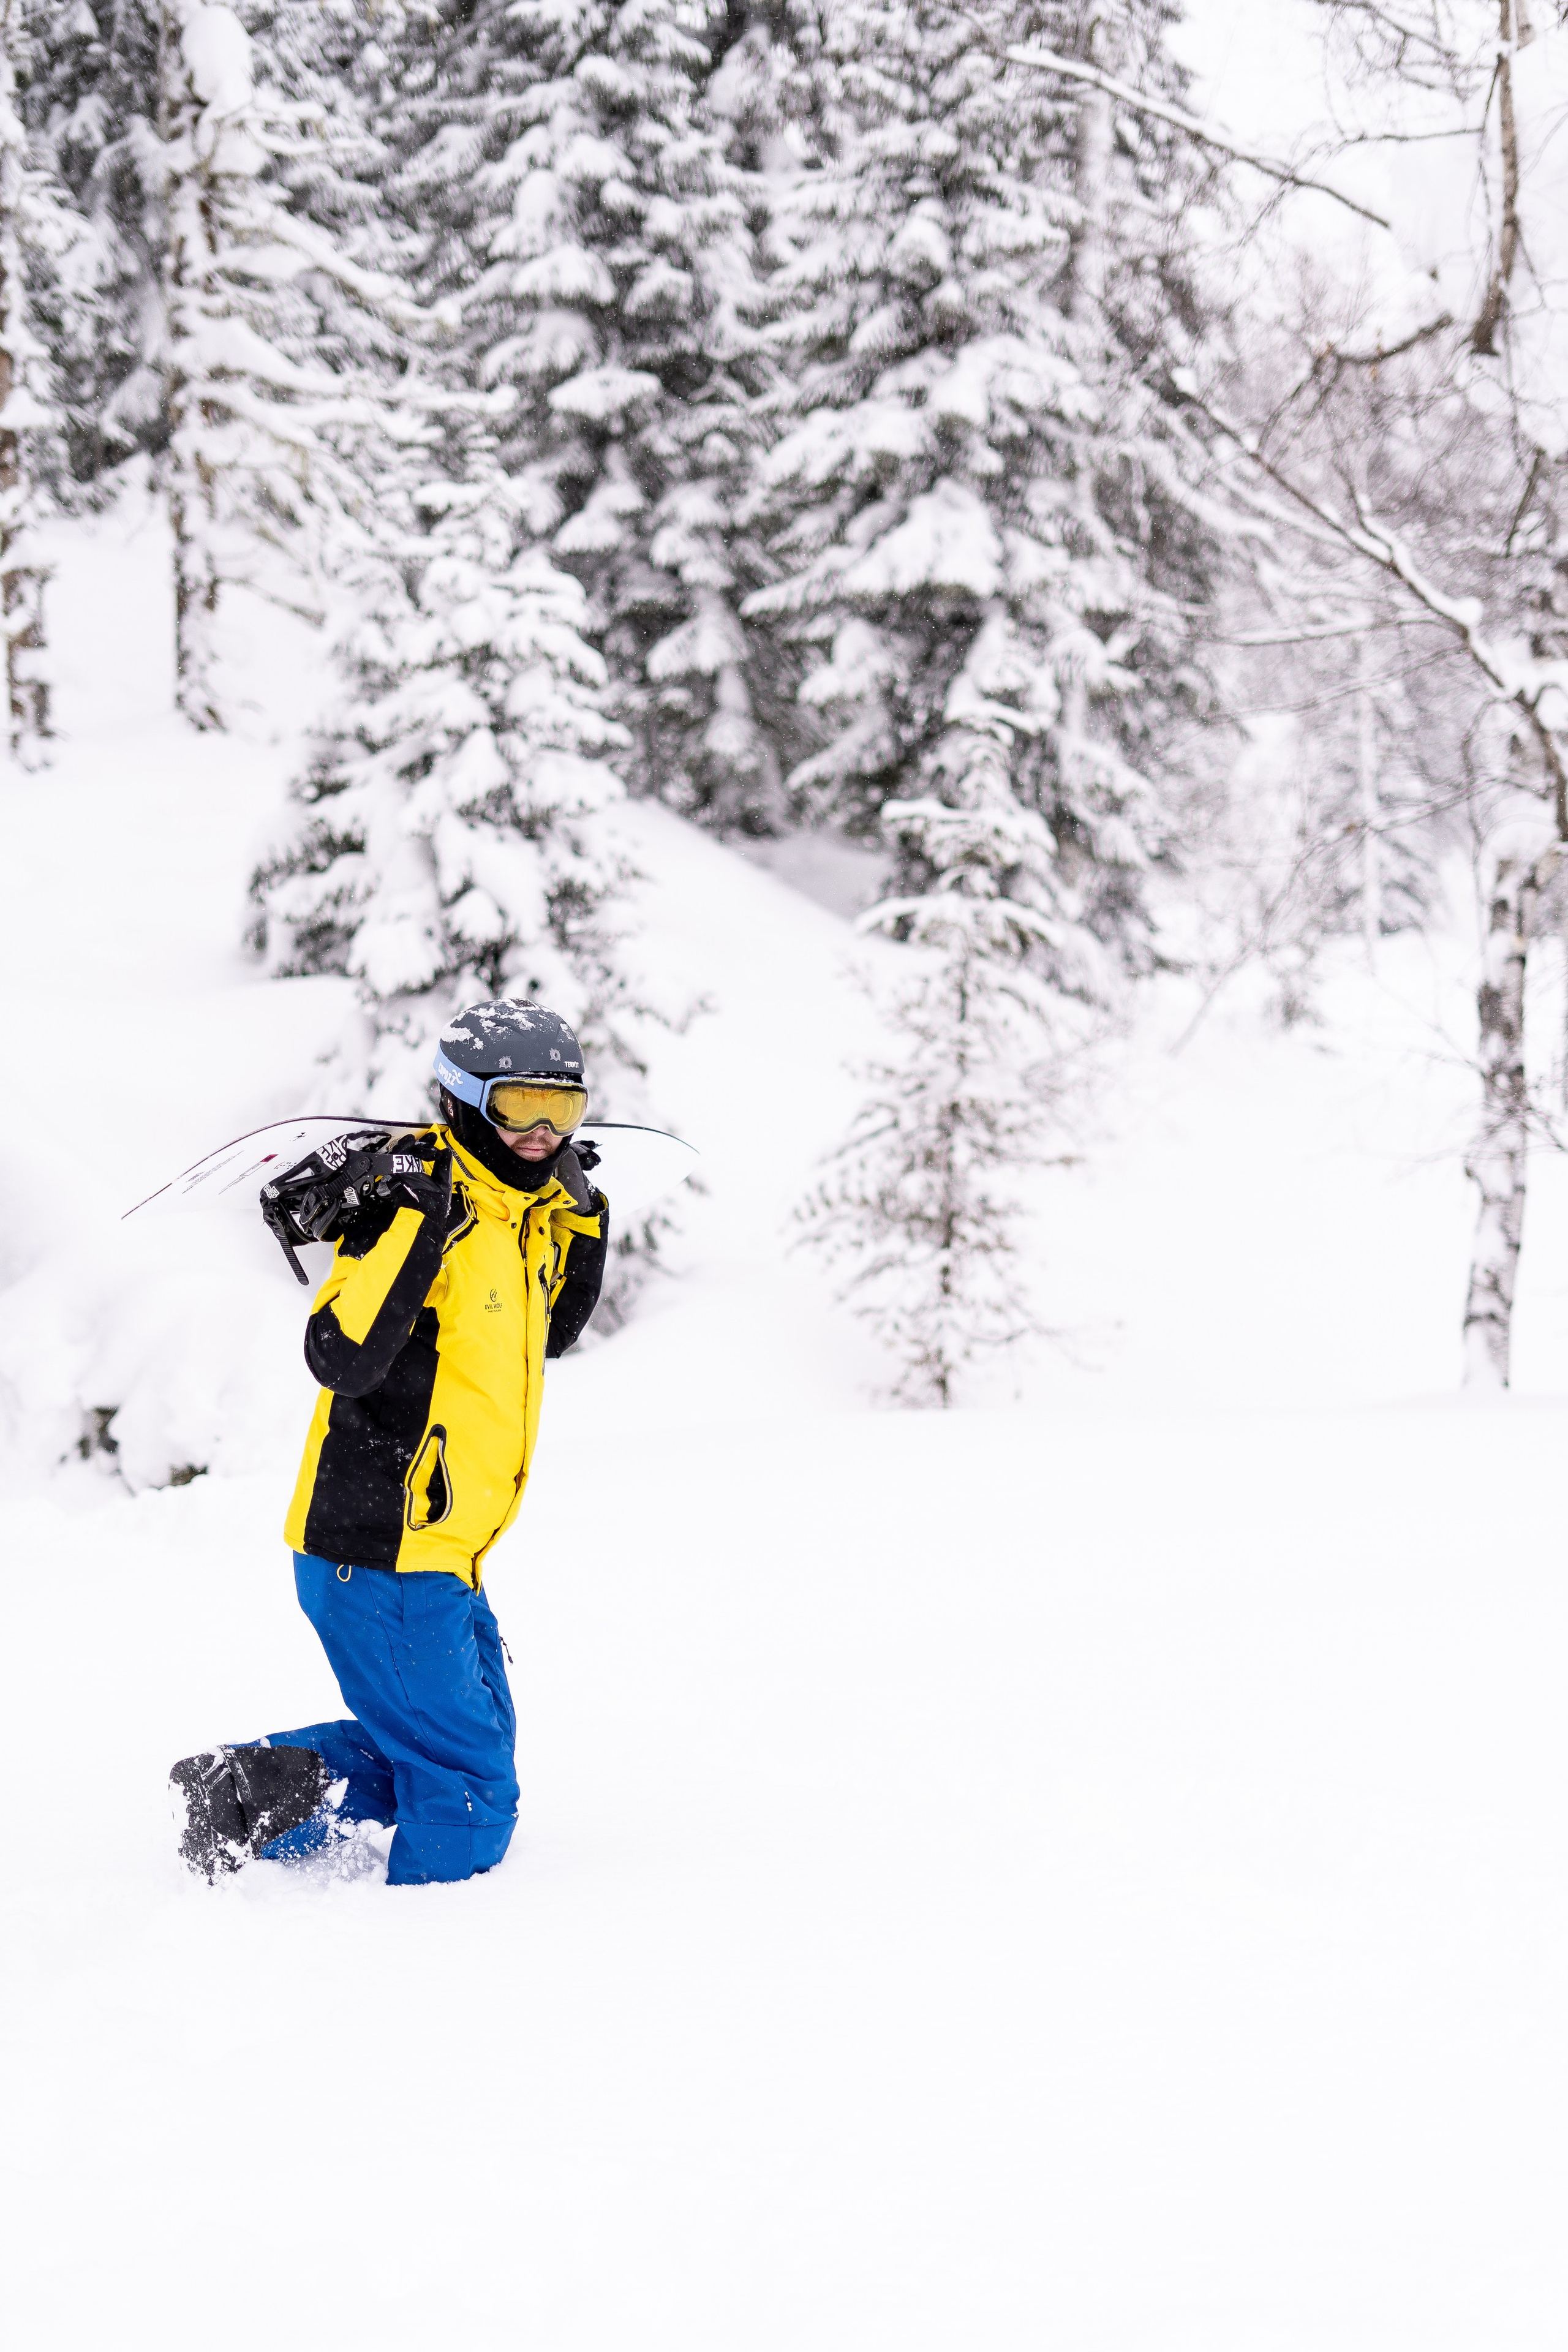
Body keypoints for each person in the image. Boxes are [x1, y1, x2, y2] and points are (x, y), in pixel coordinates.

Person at [169, 1000, 608, 1886]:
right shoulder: (414, 1209)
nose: (541, 1133)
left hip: (445, 1551)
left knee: (474, 1745)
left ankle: (244, 1794)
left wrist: (585, 1218)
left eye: (561, 1110)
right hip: (381, 1552)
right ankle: (425, 1948)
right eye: (520, 1106)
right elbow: (340, 1355)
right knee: (472, 1795)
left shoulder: (514, 1219)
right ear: (463, 1099)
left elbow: (554, 1332)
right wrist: (416, 1224)